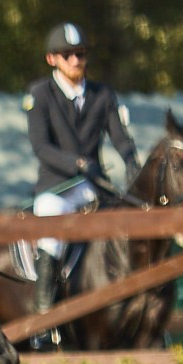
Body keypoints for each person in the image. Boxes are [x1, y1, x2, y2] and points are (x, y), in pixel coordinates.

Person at [20, 23, 138, 285]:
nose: (75, 60)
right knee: (50, 233)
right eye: (67, 55)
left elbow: (119, 135)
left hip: (95, 186)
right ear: (52, 59)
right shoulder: (40, 95)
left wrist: (131, 160)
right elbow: (41, 147)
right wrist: (78, 163)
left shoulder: (103, 94)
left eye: (80, 54)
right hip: (57, 188)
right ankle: (44, 305)